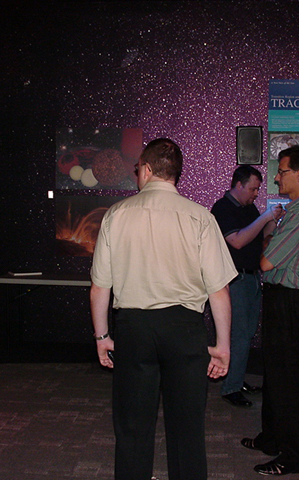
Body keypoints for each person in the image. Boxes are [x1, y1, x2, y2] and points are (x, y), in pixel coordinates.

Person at [90, 138, 237, 480]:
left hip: (134, 329)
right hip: (184, 329)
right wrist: (223, 346)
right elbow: (219, 290)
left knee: (132, 427)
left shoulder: (116, 214)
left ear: (146, 169)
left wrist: (102, 336)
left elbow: (100, 287)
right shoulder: (200, 217)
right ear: (175, 173)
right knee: (187, 429)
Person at [241, 145, 299, 476]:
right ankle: (272, 438)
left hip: (290, 302)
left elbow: (266, 262)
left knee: (288, 380)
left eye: (282, 171)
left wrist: (267, 244)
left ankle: (292, 456)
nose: (277, 177)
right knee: (276, 373)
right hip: (289, 300)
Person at [211, 165, 283, 407]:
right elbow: (238, 241)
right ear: (239, 185)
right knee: (240, 335)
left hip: (251, 277)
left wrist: (273, 220)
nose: (256, 194)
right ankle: (231, 387)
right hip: (235, 280)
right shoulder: (222, 208)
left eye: (258, 189)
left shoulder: (248, 208)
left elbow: (260, 237)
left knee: (246, 333)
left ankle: (236, 380)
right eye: (253, 189)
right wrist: (265, 217)